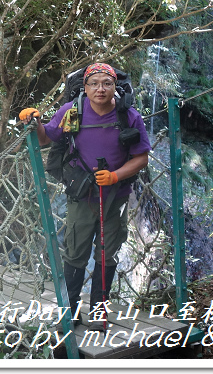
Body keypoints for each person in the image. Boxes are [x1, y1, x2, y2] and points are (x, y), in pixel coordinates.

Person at [20, 62, 151, 327]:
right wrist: (34, 122)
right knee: (75, 252)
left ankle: (99, 313)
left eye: (106, 83)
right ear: (85, 87)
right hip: (82, 193)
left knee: (107, 252)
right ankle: (71, 312)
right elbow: (47, 138)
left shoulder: (129, 116)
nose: (100, 89)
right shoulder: (73, 111)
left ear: (115, 87)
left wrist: (115, 176)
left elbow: (142, 158)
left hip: (116, 195)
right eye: (94, 83)